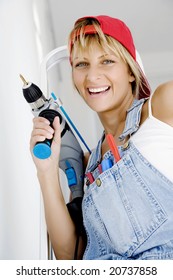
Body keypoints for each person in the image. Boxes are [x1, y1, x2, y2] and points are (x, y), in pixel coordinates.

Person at [30, 15, 173, 260]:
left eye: (106, 61)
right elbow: (69, 255)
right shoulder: (91, 165)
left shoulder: (161, 109)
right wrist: (46, 170)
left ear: (131, 71)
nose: (92, 76)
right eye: (81, 64)